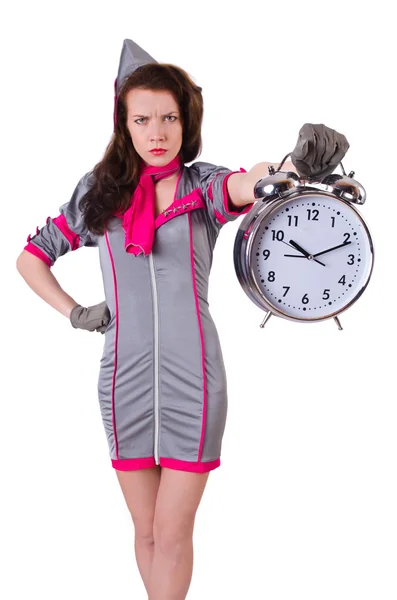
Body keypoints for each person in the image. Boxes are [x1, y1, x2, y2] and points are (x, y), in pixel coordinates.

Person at [16, 39, 349, 600]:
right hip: (122, 378)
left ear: (185, 120)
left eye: (167, 117)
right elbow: (31, 257)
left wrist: (291, 166)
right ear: (124, 123)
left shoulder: (202, 187)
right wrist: (75, 312)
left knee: (172, 533)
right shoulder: (100, 195)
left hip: (194, 378)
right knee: (144, 531)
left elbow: (251, 181)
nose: (156, 132)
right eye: (142, 118)